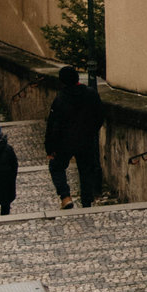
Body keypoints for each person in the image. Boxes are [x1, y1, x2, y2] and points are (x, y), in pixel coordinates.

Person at [44, 67, 105, 209]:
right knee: (85, 170)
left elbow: (53, 125)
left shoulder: (61, 98)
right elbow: (100, 116)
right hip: (86, 140)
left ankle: (65, 196)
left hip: (65, 142)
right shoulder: (91, 94)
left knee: (56, 167)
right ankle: (87, 201)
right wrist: (91, 131)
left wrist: (50, 147)